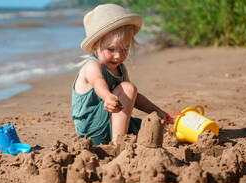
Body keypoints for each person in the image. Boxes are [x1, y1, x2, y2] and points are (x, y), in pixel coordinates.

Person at [71, 4, 173, 146]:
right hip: (92, 130)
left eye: (124, 49)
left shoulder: (120, 68)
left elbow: (133, 97)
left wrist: (156, 111)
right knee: (127, 87)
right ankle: (118, 144)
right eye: (111, 49)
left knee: (152, 126)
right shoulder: (92, 65)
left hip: (112, 123)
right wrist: (107, 96)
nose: (118, 56)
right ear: (95, 44)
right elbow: (97, 81)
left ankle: (123, 136)